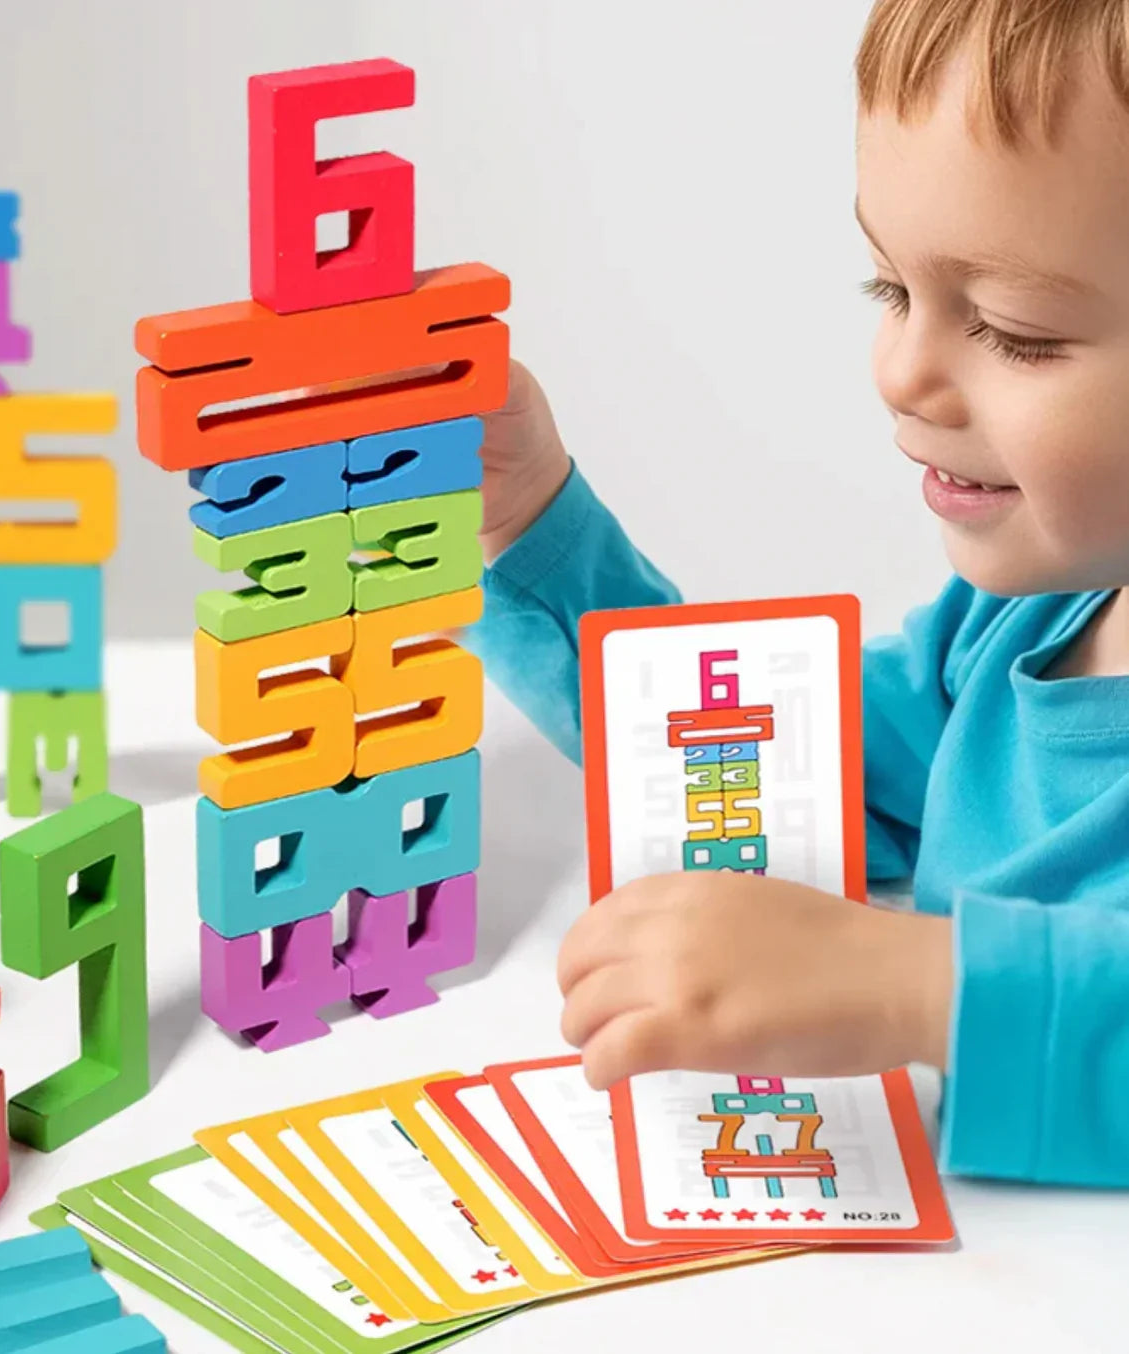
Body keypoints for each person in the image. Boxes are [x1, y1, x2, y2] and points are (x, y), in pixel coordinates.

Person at [466, 0, 1129, 1190]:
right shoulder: (1020, 620)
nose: (900, 370)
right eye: (889, 289)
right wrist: (527, 523)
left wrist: (909, 986)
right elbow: (758, 752)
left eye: (1014, 333)